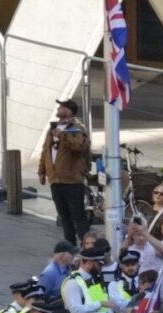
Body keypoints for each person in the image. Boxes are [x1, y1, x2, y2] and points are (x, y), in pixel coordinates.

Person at [39, 99, 91, 246]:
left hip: (72, 180)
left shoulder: (78, 128)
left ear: (68, 110)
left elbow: (80, 146)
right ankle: (70, 243)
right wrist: (42, 171)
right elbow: (45, 151)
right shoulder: (53, 128)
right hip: (56, 179)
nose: (58, 108)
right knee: (64, 215)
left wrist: (63, 136)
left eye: (61, 107)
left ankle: (86, 244)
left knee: (78, 214)